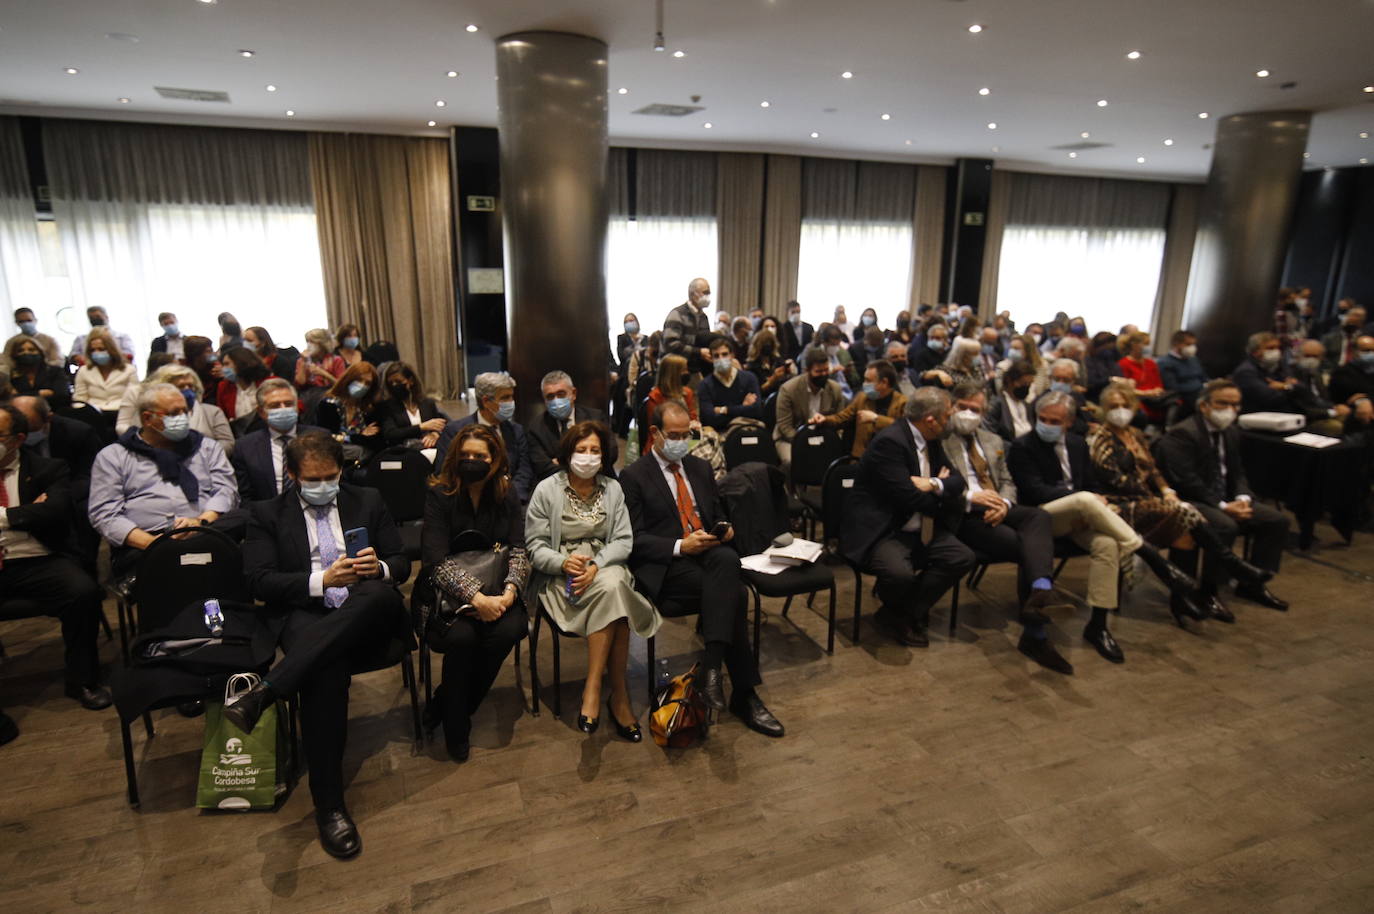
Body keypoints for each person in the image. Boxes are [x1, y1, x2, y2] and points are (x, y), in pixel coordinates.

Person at [227, 432, 410, 860]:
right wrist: (320, 580)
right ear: (292, 475)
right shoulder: (266, 514)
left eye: (331, 475)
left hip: (366, 607)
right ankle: (330, 807)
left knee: (380, 593)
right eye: (313, 478)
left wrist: (379, 566)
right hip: (305, 609)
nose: (324, 484)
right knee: (323, 671)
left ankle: (269, 690)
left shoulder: (367, 499)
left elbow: (401, 563)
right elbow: (258, 581)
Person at [620, 401, 784, 737]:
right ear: (655, 434)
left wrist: (724, 527)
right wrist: (681, 546)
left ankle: (712, 669)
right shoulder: (634, 475)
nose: (681, 441)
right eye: (674, 435)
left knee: (725, 560)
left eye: (686, 435)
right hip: (668, 564)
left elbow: (716, 513)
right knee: (735, 594)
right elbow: (633, 539)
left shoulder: (699, 467)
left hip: (707, 554)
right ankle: (744, 693)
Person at [1009, 391, 1216, 642]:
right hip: (1041, 518)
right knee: (1084, 499)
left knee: (1106, 545)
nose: (1047, 425)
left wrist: (1096, 498)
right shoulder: (1023, 446)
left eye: (1055, 421)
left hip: (1080, 517)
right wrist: (1083, 499)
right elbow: (1035, 490)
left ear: (1069, 422)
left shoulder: (1077, 444)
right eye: (1043, 419)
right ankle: (1150, 555)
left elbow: (1092, 483)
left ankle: (1098, 624)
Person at [1089, 382, 1273, 623]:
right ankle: (1232, 564)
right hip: (1119, 503)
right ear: (1104, 409)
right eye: (1114, 406)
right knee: (1187, 512)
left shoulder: (1135, 435)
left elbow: (1154, 470)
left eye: (1125, 405)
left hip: (1147, 501)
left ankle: (1182, 598)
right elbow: (1115, 479)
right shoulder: (1101, 438)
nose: (1120, 410)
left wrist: (1167, 491)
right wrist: (1156, 497)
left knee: (1184, 529)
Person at [527, 421, 659, 738]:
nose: (588, 456)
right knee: (619, 603)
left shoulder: (612, 489)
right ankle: (619, 696)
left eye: (595, 450)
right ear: (567, 453)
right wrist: (564, 562)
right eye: (581, 450)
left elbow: (624, 541)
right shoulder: (546, 489)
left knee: (614, 583)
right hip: (562, 578)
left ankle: (593, 688)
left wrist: (597, 565)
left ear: (604, 455)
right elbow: (534, 547)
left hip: (604, 566)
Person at [940, 383, 1082, 672]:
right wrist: (972, 498)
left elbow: (1007, 480)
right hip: (964, 514)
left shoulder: (992, 440)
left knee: (1038, 518)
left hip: (998, 507)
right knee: (1025, 546)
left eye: (975, 409)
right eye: (962, 407)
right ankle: (1036, 632)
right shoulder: (939, 441)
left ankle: (1040, 592)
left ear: (983, 413)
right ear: (951, 408)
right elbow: (937, 484)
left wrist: (1004, 503)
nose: (968, 413)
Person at [419, 423, 530, 761]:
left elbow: (519, 550)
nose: (471, 460)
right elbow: (434, 561)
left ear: (494, 459)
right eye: (465, 455)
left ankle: (448, 704)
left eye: (479, 456)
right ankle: (456, 726)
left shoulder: (506, 493)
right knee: (463, 639)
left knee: (510, 629)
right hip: (445, 596)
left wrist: (510, 593)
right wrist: (477, 599)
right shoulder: (440, 493)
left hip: (498, 590)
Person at [839, 387, 974, 648]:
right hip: (884, 529)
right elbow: (909, 498)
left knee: (961, 557)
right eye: (947, 416)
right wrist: (942, 495)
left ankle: (901, 612)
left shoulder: (931, 440)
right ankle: (902, 612)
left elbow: (958, 481)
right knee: (900, 574)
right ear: (931, 419)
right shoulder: (891, 442)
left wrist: (933, 484)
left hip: (919, 526)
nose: (950, 421)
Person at [0, 405, 110, 712]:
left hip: (37, 559)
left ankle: (83, 681)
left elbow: (56, 512)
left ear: (18, 438)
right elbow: (39, 513)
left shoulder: (48, 469)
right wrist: (27, 513)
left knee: (82, 592)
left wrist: (3, 516)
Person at [1155, 379, 1292, 613]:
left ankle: (1253, 584)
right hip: (1192, 499)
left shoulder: (1230, 432)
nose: (1229, 410)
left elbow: (1237, 472)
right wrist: (1222, 505)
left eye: (1235, 405)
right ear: (1204, 405)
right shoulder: (1182, 434)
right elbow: (1186, 480)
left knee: (1276, 521)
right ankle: (1209, 590)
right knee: (1224, 526)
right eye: (1222, 403)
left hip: (1226, 497)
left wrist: (1243, 498)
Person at [88, 383, 239, 576]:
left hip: (206, 532)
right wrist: (153, 543)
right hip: (145, 543)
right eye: (174, 413)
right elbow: (105, 513)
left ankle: (217, 606)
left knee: (238, 525)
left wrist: (200, 522)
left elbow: (226, 490)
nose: (183, 418)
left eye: (186, 411)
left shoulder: (207, 448)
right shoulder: (113, 456)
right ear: (147, 418)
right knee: (175, 574)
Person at [433, 371, 534, 503]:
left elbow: (524, 469)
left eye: (511, 397)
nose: (511, 402)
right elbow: (445, 472)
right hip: (466, 502)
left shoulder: (516, 431)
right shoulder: (455, 431)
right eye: (505, 398)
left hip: (509, 501)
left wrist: (512, 497)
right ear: (486, 401)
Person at [231, 378, 324, 501]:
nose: (283, 409)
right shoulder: (244, 447)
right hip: (267, 516)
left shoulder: (320, 437)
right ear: (261, 412)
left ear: (297, 407)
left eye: (289, 404)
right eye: (275, 405)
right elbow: (246, 497)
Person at [116, 364, 235, 456]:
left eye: (190, 386)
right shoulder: (149, 416)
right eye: (181, 387)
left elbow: (227, 442)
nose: (187, 391)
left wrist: (202, 455)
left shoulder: (212, 412)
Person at [527, 370, 615, 479]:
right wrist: (587, 465)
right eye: (550, 396)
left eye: (561, 394)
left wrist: (561, 462)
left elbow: (611, 453)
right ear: (544, 400)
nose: (556, 400)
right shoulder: (536, 427)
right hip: (556, 484)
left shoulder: (595, 417)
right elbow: (542, 467)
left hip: (599, 479)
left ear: (573, 394)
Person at [773, 347, 845, 469]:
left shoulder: (835, 389)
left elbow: (840, 421)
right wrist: (808, 443)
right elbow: (785, 427)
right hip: (791, 438)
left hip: (824, 437)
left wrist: (832, 441)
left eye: (826, 370)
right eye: (818, 371)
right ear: (807, 370)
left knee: (837, 462)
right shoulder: (788, 390)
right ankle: (792, 488)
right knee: (791, 462)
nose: (823, 374)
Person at [817, 359, 906, 457]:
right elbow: (842, 418)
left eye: (868, 380)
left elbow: (903, 429)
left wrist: (876, 419)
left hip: (890, 458)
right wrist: (824, 419)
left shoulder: (902, 402)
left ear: (884, 382)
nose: (864, 384)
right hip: (861, 460)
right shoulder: (862, 398)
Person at [318, 362, 386, 460]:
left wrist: (354, 438)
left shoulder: (366, 408)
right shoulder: (329, 404)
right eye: (359, 380)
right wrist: (359, 436)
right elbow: (327, 437)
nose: (362, 385)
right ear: (349, 379)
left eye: (367, 383)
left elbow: (376, 440)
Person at [697, 335, 763, 432]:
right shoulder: (705, 384)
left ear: (732, 355)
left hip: (747, 430)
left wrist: (723, 410)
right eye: (716, 356)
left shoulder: (749, 378)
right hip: (720, 433)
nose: (721, 359)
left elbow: (756, 411)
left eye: (724, 354)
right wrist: (743, 408)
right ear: (711, 359)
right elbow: (709, 418)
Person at [376, 362, 448, 449]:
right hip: (402, 451)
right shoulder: (387, 407)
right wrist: (421, 427)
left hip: (428, 448)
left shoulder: (427, 403)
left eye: (398, 381)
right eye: (391, 383)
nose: (394, 385)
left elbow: (439, 426)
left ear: (411, 381)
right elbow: (390, 434)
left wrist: (434, 434)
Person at [1289, 338, 1352, 435]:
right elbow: (1300, 407)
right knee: (1335, 426)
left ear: (1321, 358)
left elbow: (1324, 399)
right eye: (1307, 356)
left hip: (1322, 412)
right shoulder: (1292, 375)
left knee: (1352, 416)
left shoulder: (1317, 375)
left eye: (1315, 356)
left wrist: (1335, 407)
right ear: (1298, 356)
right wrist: (1332, 412)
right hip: (1305, 418)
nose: (1311, 360)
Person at [1233, 332, 1302, 415]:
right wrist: (1288, 387)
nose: (1277, 351)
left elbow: (1302, 388)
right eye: (1270, 348)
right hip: (1260, 418)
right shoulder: (1246, 372)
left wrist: (1285, 387)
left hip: (1285, 416)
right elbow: (1272, 398)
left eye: (1278, 348)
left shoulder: (1280, 367)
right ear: (1255, 351)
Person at [73, 329, 139, 417]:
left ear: (111, 349)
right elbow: (79, 399)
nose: (96, 353)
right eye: (93, 350)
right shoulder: (83, 371)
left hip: (123, 414)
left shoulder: (129, 370)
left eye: (101, 349)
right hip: (94, 416)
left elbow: (134, 398)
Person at [641, 354, 699, 453]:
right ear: (673, 374)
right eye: (684, 370)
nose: (687, 373)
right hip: (663, 442)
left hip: (686, 437)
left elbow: (693, 416)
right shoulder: (655, 397)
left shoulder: (687, 392)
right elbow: (656, 429)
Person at [662, 277, 714, 378]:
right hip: (674, 371)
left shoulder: (704, 317)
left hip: (695, 370)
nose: (708, 296)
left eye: (709, 293)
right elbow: (670, 344)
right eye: (705, 292)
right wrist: (698, 352)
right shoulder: (677, 314)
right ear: (693, 294)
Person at [6, 336, 71, 410]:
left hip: (56, 410)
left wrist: (23, 395)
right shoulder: (12, 376)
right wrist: (40, 393)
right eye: (21, 351)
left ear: (40, 352)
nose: (26, 353)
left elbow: (62, 394)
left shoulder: (55, 371)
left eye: (31, 350)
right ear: (15, 355)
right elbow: (10, 399)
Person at [1116, 331, 1167, 423]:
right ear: (1134, 345)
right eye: (1145, 344)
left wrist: (1156, 390)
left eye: (1149, 344)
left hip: (1154, 399)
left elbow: (1159, 384)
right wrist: (1146, 393)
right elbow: (1124, 389)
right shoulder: (1123, 363)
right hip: (1136, 399)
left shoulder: (1151, 363)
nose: (1148, 347)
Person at [1156, 330, 1208, 420]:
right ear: (1176, 344)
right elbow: (1172, 387)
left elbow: (1203, 377)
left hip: (1200, 392)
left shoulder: (1193, 359)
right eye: (1188, 344)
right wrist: (1198, 387)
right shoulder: (1165, 362)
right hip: (1183, 397)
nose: (1192, 348)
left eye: (1193, 345)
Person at [216, 347, 273, 423]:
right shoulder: (224, 387)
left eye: (227, 364)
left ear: (241, 363)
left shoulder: (270, 383)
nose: (223, 369)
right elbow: (223, 416)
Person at [985, 361, 1037, 442]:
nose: (1027, 388)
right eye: (1024, 383)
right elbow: (990, 437)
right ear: (1010, 381)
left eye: (1029, 385)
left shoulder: (1027, 406)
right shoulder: (996, 405)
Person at [69, 306, 135, 365]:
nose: (95, 319)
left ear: (106, 317)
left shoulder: (122, 337)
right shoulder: (81, 339)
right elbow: (73, 356)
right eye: (91, 317)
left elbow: (129, 355)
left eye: (97, 316)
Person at [745, 328, 791, 398]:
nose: (768, 346)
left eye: (770, 343)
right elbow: (756, 392)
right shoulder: (752, 366)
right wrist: (773, 380)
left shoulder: (778, 361)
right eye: (765, 343)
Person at [1330, 335, 1374, 405]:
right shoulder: (1342, 373)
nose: (1372, 354)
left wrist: (1367, 397)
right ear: (1354, 351)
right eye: (1366, 350)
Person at [907, 322, 953, 389]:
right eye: (931, 338)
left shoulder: (949, 354)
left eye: (937, 338)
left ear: (945, 340)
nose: (933, 340)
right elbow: (920, 376)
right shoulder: (921, 354)